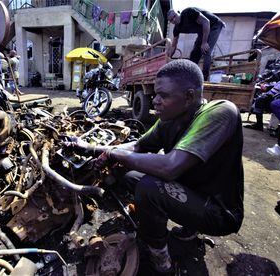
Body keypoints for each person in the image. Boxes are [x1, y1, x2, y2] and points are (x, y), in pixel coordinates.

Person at [66, 59, 244, 273]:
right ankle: (180, 226)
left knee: (150, 188)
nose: (155, 101)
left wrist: (117, 154)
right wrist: (95, 149)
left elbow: (170, 167)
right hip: (191, 191)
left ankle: (162, 262)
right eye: (156, 94)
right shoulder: (170, 119)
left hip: (218, 212)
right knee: (128, 174)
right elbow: (138, 146)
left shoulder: (221, 112)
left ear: (189, 96)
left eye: (164, 96)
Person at [167, 8, 225, 81]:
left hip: (214, 25)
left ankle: (204, 78)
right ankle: (190, 76)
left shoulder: (188, 13)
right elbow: (173, 46)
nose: (174, 20)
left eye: (174, 16)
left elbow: (206, 22)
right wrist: (167, 58)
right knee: (194, 54)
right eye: (171, 20)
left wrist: (204, 43)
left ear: (178, 12)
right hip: (202, 31)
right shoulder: (177, 29)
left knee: (206, 50)